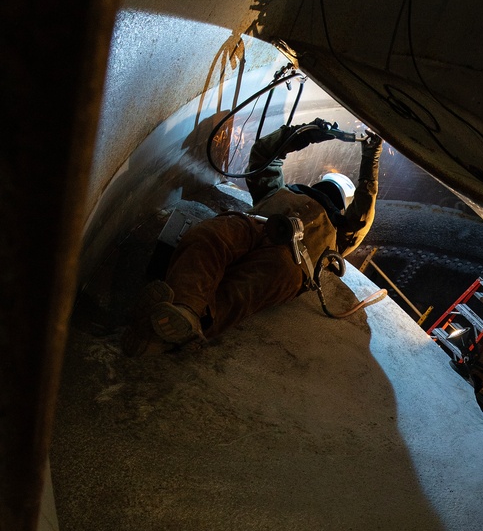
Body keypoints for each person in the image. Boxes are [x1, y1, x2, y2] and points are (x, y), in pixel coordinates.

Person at [124, 119, 382, 354]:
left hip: (293, 258)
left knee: (241, 289)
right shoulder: (281, 192)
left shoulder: (339, 233)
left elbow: (362, 211)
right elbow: (264, 154)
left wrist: (370, 158)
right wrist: (305, 133)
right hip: (259, 229)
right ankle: (184, 314)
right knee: (209, 238)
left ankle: (169, 327)